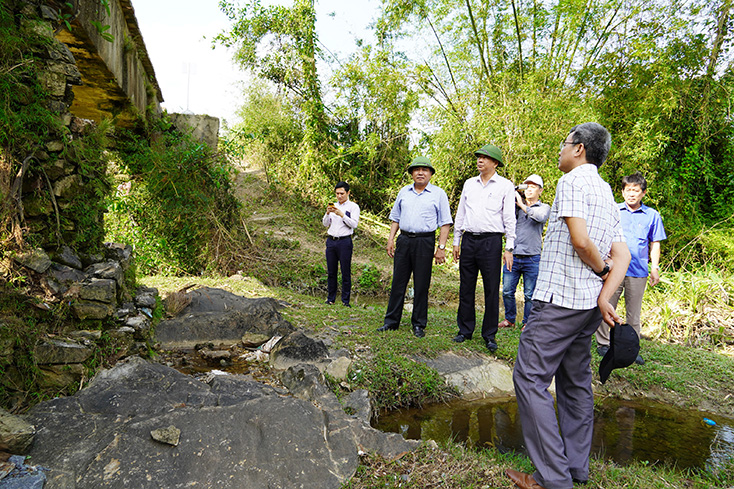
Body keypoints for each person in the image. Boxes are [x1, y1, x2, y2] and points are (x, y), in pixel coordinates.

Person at [507, 123, 631, 489]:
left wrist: (599, 268)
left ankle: (552, 478)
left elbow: (580, 240)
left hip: (560, 301)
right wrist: (605, 295)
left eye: (563, 144)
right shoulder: (608, 193)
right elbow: (622, 254)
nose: (560, 151)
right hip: (588, 307)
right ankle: (576, 469)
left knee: (529, 377)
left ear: (578, 149)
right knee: (576, 384)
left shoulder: (573, 181)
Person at [595, 171, 666, 365]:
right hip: (614, 268)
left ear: (643, 193)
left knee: (633, 312)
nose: (631, 194)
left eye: (636, 190)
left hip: (638, 270)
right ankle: (603, 343)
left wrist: (655, 268)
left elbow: (655, 244)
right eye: (628, 190)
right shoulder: (614, 210)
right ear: (622, 192)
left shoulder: (652, 215)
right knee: (608, 304)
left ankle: (630, 349)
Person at [377, 156, 452, 338]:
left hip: (425, 242)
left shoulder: (438, 194)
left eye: (425, 170)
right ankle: (391, 321)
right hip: (404, 240)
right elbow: (396, 217)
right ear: (411, 173)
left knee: (421, 284)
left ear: (431, 174)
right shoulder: (404, 192)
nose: (420, 173)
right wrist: (390, 239)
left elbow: (445, 223)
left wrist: (441, 248)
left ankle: (418, 324)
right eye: (417, 170)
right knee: (398, 282)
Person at [451, 144, 516, 352]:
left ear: (495, 163)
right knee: (466, 286)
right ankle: (465, 330)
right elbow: (461, 213)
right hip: (469, 240)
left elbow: (509, 218)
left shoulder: (505, 185)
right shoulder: (469, 184)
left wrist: (509, 247)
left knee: (491, 289)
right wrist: (456, 240)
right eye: (478, 157)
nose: (480, 160)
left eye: (485, 158)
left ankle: (489, 334)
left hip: (492, 242)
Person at [498, 174, 550, 329]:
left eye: (533, 186)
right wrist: (511, 194)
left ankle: (527, 322)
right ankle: (510, 320)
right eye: (526, 186)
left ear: (540, 190)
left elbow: (540, 218)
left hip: (532, 258)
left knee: (529, 295)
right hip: (512, 255)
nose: (529, 189)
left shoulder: (544, 207)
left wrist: (522, 205)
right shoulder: (515, 207)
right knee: (507, 291)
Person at [322, 181, 360, 307]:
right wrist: (328, 213)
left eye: (342, 193)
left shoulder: (353, 207)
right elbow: (325, 224)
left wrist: (342, 215)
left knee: (345, 271)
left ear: (348, 193)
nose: (339, 196)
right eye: (337, 193)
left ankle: (345, 301)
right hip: (331, 241)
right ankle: (330, 298)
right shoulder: (332, 206)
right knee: (331, 271)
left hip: (345, 241)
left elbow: (354, 224)